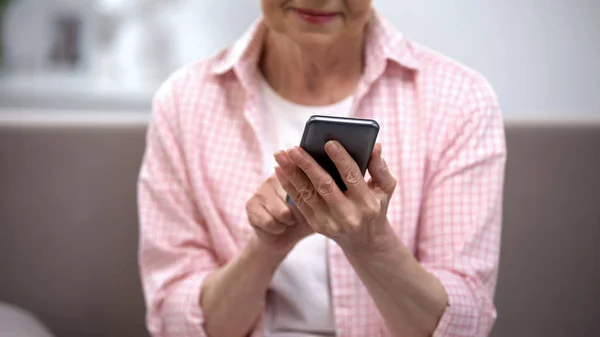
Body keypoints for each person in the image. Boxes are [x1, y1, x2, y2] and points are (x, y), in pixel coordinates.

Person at [137, 1, 506, 337]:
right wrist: (264, 249)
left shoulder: (459, 101)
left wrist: (373, 247)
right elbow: (173, 323)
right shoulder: (184, 102)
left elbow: (465, 327)